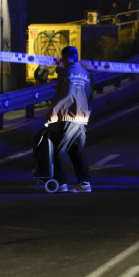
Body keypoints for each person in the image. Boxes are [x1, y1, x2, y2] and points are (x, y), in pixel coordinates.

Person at [46, 46, 93, 193]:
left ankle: (61, 184)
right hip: (82, 117)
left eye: (63, 58)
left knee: (58, 150)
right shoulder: (86, 74)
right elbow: (90, 94)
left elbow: (61, 97)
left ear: (68, 57)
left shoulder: (66, 74)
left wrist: (51, 116)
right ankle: (84, 183)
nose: (62, 61)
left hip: (68, 117)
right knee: (77, 150)